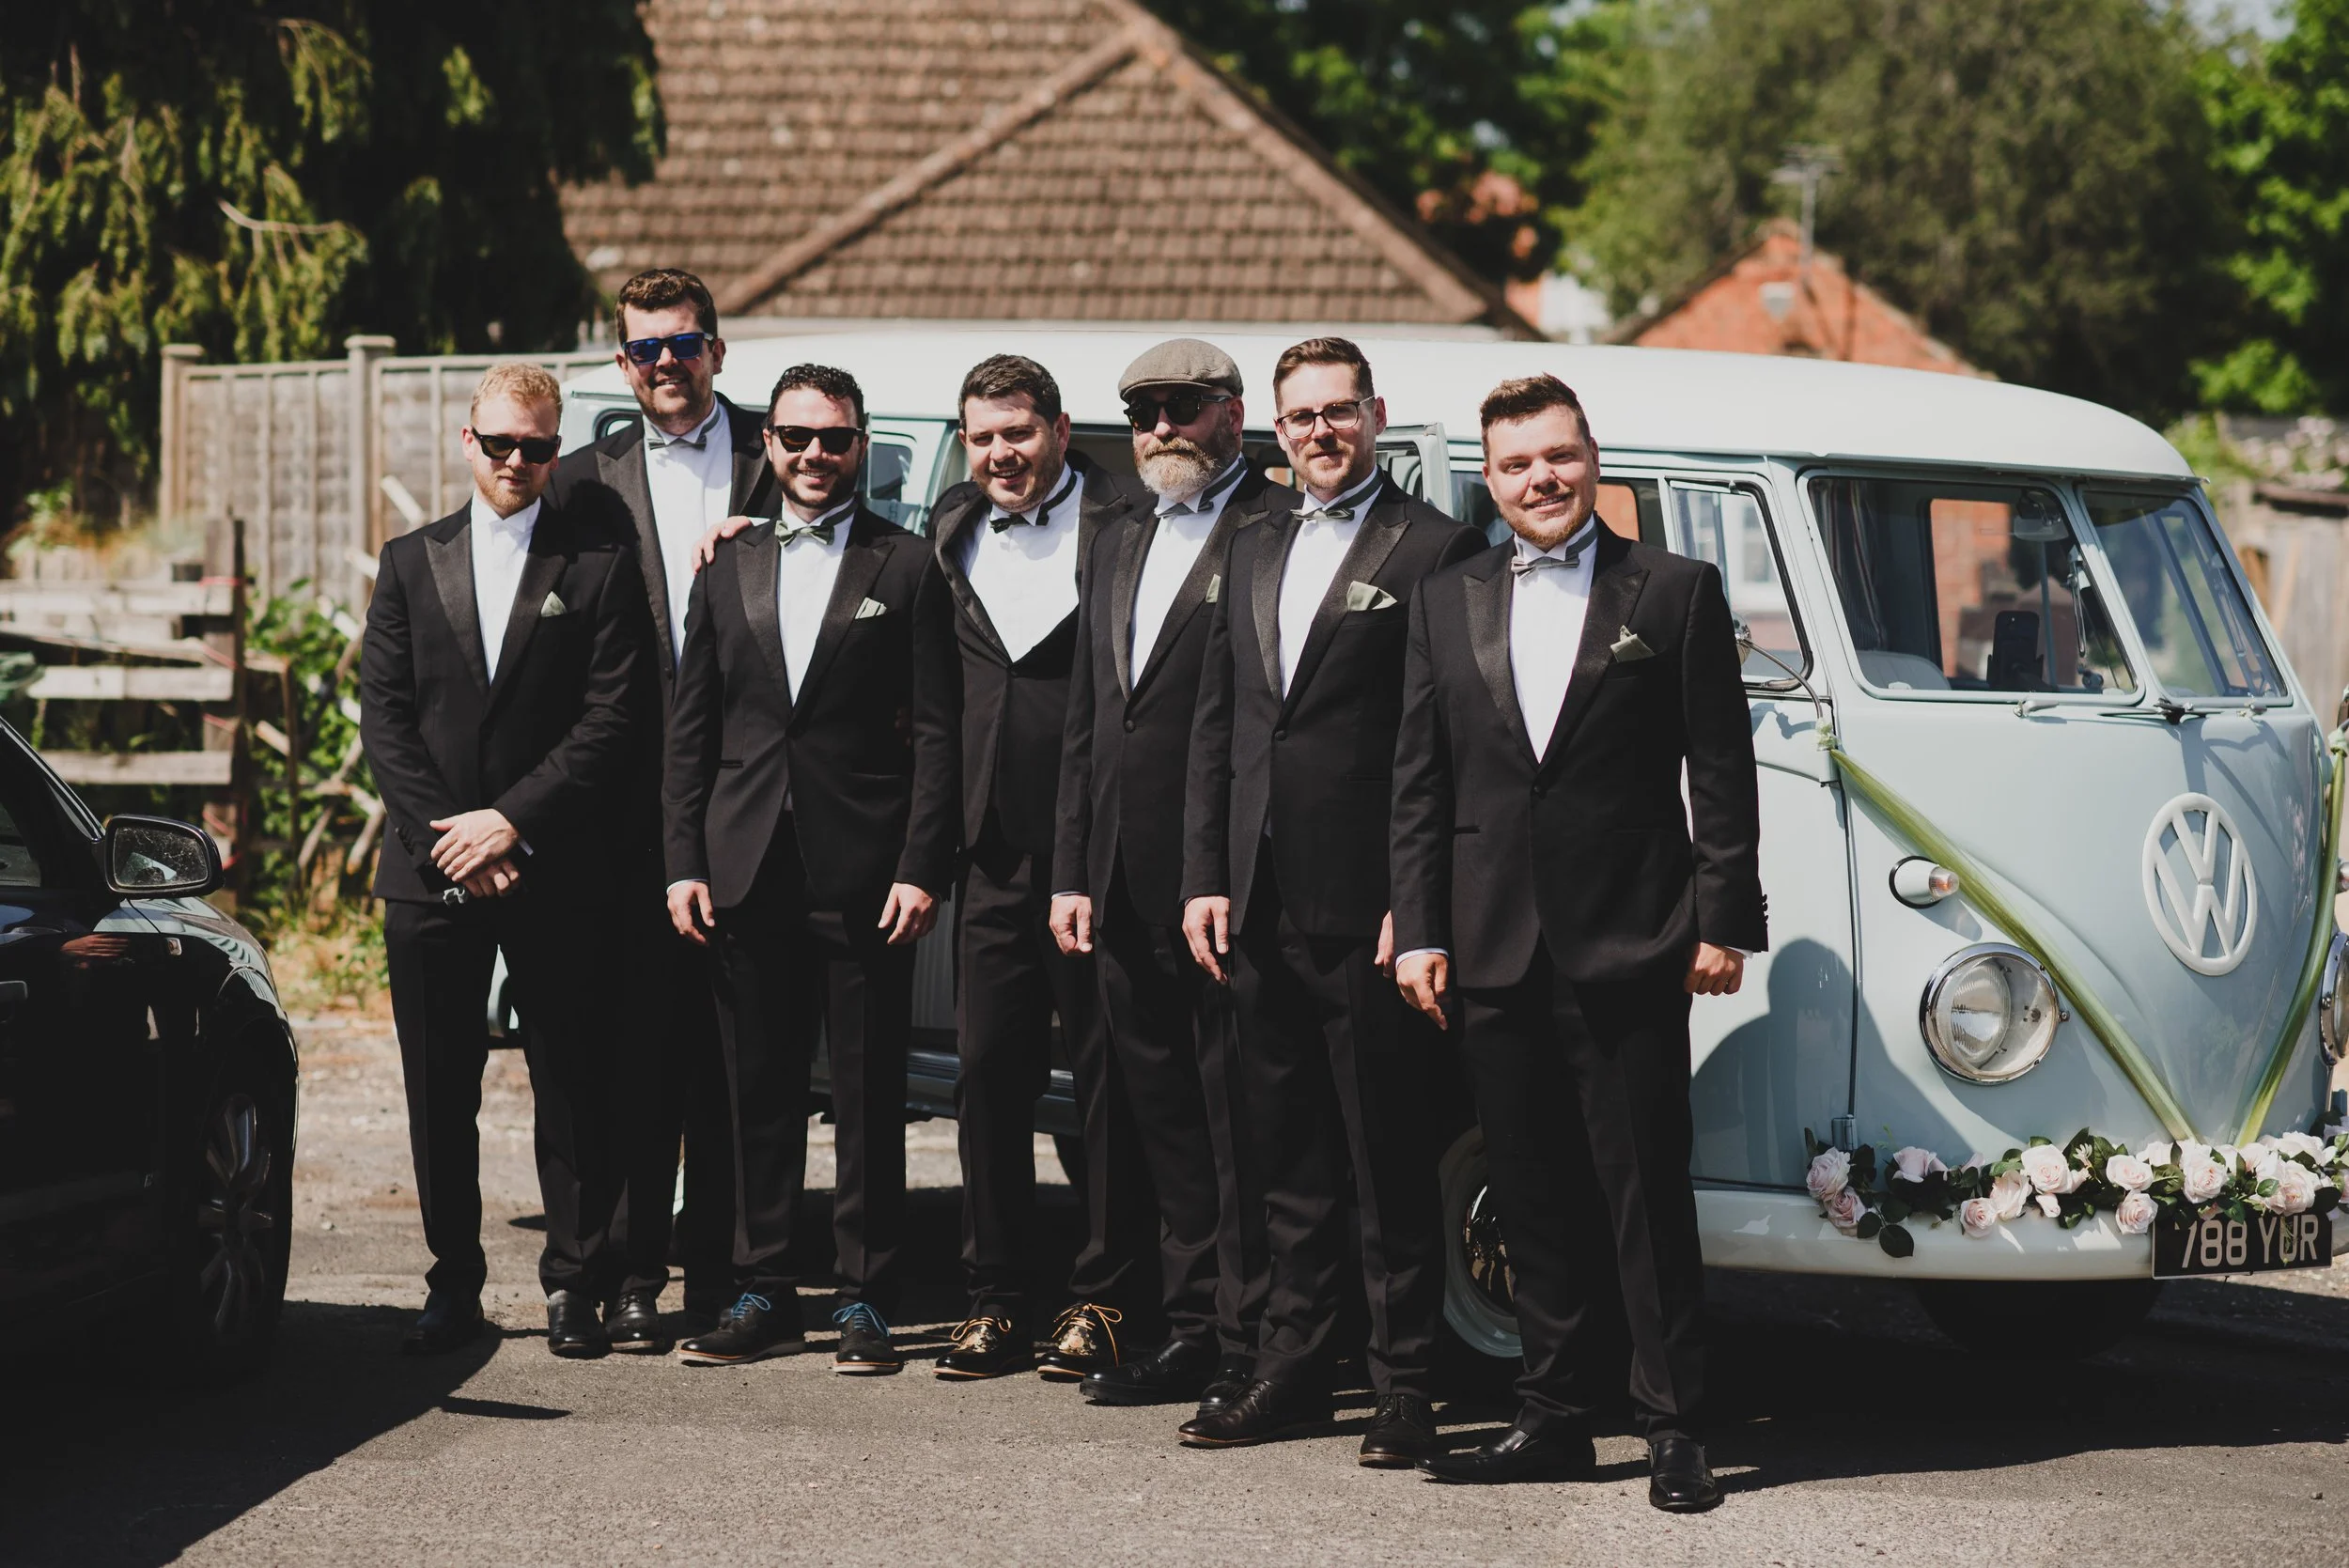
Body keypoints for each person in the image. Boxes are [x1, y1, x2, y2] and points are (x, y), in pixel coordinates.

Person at [1389, 374, 1765, 1512]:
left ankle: (1674, 1425)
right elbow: (1419, 781)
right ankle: (1549, 1413)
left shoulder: (1676, 590)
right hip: (1490, 940)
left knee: (1644, 1192)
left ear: (1591, 457)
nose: (1540, 478)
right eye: (1515, 464)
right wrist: (1417, 928)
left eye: (1557, 456)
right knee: (1527, 1190)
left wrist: (1721, 917)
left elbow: (1721, 769)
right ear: (1488, 479)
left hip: (1632, 939)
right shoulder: (1443, 597)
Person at [1176, 338, 1483, 1465]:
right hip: (1254, 899)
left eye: (1338, 411)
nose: (1320, 430)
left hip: (1369, 905)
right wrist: (1203, 873)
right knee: (1285, 1158)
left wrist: (1419, 898)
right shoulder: (1251, 541)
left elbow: (1444, 740)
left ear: (1375, 414)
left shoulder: (1437, 546)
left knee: (1385, 1155)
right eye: (1301, 415)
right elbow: (1218, 723)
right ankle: (1294, 1370)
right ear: (1276, 428)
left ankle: (1405, 1385)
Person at [661, 364, 956, 1374]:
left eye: (833, 437)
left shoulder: (905, 565)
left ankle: (867, 1297)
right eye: (795, 437)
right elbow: (691, 730)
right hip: (744, 866)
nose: (814, 455)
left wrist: (921, 864)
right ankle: (763, 1290)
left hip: (864, 871)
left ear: (860, 443)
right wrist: (682, 860)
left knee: (869, 1094)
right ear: (771, 445)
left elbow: (940, 732)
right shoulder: (725, 564)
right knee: (758, 1090)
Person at [361, 362, 650, 1359]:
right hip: (430, 866)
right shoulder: (409, 561)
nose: (515, 461)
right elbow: (386, 719)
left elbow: (611, 718)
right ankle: (453, 1281)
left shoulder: (598, 567)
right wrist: (455, 838)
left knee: (571, 1076)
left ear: (556, 451)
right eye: (499, 443)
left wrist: (512, 824)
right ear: (467, 441)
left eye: (535, 446)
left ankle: (577, 1281)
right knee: (440, 1087)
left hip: (553, 862)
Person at [1050, 340, 1291, 1413]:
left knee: (1241, 1120)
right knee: (1163, 1119)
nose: (1160, 429)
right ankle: (1192, 1328)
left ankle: (1256, 1340)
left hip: (1227, 882)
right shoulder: (1116, 536)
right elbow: (1090, 718)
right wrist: (1070, 867)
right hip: (1117, 878)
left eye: (1181, 407)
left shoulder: (1278, 527)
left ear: (1232, 414)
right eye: (1143, 411)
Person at [548, 268, 770, 1349]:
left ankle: (714, 1279)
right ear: (622, 363)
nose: (666, 364)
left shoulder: (784, 452)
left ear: (716, 350)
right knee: (620, 1047)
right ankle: (612, 1273)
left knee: (725, 1058)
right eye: (646, 349)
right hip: (621, 804)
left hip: (750, 792)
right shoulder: (581, 481)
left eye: (684, 344)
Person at [927, 354, 1154, 1380]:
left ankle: (1105, 1299)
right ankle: (995, 1300)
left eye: (1018, 432)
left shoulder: (1128, 522)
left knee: (1108, 1080)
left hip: (1098, 852)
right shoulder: (950, 525)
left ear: (1061, 430)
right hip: (989, 852)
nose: (1001, 453)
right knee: (987, 1077)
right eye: (982, 437)